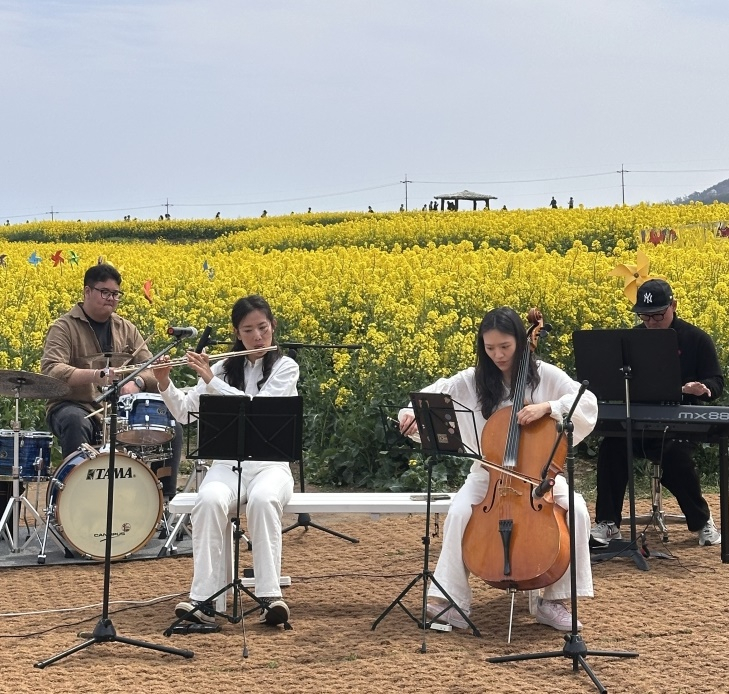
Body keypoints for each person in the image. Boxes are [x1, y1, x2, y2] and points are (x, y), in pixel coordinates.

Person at [399, 307, 597, 632]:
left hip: (538, 475)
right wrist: (410, 412)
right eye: (490, 348)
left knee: (575, 510)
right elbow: (432, 394)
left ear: (520, 340)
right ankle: (449, 602)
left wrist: (549, 407)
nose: (498, 355)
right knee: (459, 513)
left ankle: (554, 601)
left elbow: (586, 402)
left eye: (505, 346)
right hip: (488, 474)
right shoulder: (473, 379)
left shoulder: (545, 375)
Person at [157, 295, 299, 627]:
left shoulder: (285, 367)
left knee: (263, 500)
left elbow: (258, 407)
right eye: (248, 331)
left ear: (273, 326)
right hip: (226, 465)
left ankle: (270, 597)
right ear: (237, 333)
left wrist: (211, 381)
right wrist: (164, 381)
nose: (257, 337)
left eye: (263, 328)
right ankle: (203, 600)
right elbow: (185, 413)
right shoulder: (221, 368)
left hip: (271, 465)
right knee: (207, 500)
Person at [591, 279, 723, 546]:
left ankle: (701, 521)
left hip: (679, 423)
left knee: (675, 457)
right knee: (611, 449)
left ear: (673, 306)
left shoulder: (696, 338)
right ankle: (608, 523)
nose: (651, 322)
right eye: (645, 316)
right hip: (637, 418)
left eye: (658, 316)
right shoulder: (631, 340)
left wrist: (703, 388)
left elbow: (716, 382)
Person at [41, 263, 182, 500]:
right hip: (76, 405)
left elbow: (150, 368)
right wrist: (96, 375)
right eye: (105, 292)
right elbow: (52, 369)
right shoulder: (64, 327)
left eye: (116, 294)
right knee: (75, 421)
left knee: (171, 426)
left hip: (119, 410)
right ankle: (78, 498)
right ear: (87, 291)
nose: (111, 298)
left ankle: (164, 501)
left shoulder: (126, 328)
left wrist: (137, 382)